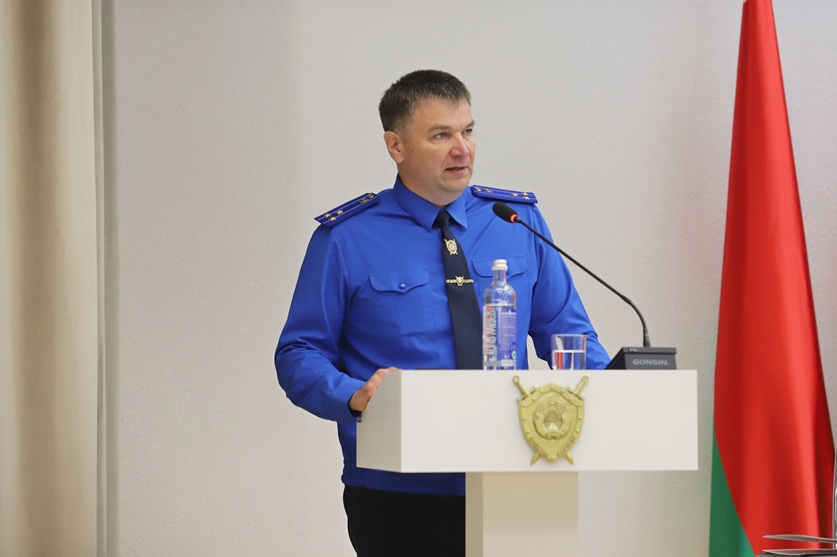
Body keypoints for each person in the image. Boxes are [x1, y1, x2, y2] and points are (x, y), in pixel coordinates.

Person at [274, 69, 609, 557]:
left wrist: (617, 392)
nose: (462, 149)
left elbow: (568, 335)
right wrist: (354, 395)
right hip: (400, 491)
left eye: (467, 131)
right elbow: (298, 353)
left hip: (516, 474)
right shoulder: (346, 238)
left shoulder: (516, 222)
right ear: (396, 146)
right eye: (440, 136)